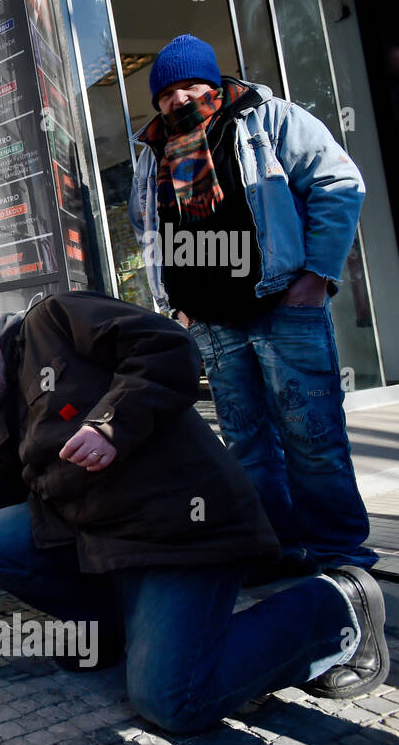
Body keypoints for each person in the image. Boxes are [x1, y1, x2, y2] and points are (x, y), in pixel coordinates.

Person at [0, 292, 388, 734]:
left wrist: (113, 424)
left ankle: (336, 607)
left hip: (180, 530)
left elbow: (168, 345)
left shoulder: (54, 321)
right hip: (105, 545)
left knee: (171, 700)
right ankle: (111, 630)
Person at [129, 33, 375, 576]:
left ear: (215, 83)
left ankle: (340, 558)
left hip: (283, 307)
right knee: (246, 446)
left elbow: (338, 183)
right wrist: (179, 306)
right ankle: (278, 552)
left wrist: (316, 276)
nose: (179, 98)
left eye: (191, 84)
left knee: (312, 437)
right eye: (167, 92)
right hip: (212, 325)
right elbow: (144, 224)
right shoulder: (153, 153)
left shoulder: (270, 121)